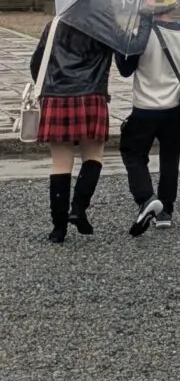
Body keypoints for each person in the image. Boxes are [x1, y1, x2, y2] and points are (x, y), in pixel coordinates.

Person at [116, 0, 180, 237]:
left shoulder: (142, 35)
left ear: (149, 5)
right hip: (174, 107)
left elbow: (125, 69)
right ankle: (166, 211)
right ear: (174, 5)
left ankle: (146, 197)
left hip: (144, 106)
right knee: (169, 157)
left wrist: (121, 40)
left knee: (133, 153)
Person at [33, 14, 118, 244]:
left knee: (60, 163)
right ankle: (78, 209)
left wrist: (51, 87)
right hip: (92, 95)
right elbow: (123, 57)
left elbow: (36, 65)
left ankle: (58, 229)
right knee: (93, 155)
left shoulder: (55, 24)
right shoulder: (104, 24)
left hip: (57, 95)